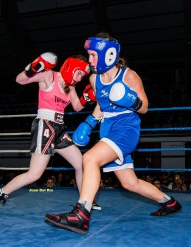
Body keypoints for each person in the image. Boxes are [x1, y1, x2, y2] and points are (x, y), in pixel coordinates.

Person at [44, 32, 182, 234]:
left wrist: (130, 100)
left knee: (90, 159)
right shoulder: (94, 78)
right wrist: (89, 122)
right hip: (108, 129)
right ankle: (170, 203)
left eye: (92, 55)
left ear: (108, 54)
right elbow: (101, 105)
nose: (89, 60)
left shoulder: (129, 75)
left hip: (126, 128)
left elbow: (144, 107)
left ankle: (81, 215)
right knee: (129, 183)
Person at [0, 52, 101, 213]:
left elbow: (76, 106)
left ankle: (85, 201)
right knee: (34, 175)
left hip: (60, 128)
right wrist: (33, 68)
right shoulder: (49, 76)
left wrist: (88, 98)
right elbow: (20, 80)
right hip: (45, 124)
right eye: (80, 73)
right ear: (72, 66)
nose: (80, 78)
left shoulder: (71, 86)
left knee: (81, 164)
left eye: (83, 75)